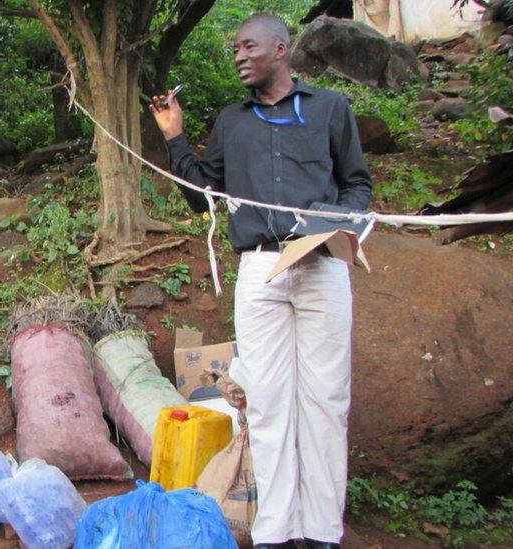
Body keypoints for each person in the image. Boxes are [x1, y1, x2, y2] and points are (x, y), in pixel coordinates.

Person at [150, 13, 372, 549]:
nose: (239, 56)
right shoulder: (232, 121)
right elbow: (203, 194)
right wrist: (175, 137)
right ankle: (275, 532)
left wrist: (329, 225)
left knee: (326, 401)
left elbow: (357, 186)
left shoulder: (330, 110)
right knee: (267, 402)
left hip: (320, 267)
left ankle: (320, 532)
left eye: (248, 46)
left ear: (280, 48)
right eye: (234, 49)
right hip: (259, 273)